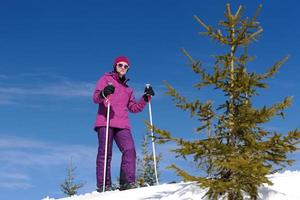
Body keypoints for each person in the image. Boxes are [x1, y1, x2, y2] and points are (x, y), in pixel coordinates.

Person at [93, 56, 155, 191]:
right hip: (106, 121)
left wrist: (145, 98)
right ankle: (104, 185)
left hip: (122, 124)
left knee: (130, 150)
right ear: (115, 66)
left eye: (126, 66)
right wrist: (104, 93)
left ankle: (127, 182)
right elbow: (95, 98)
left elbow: (134, 108)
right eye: (120, 65)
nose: (123, 68)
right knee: (105, 153)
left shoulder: (128, 89)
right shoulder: (106, 79)